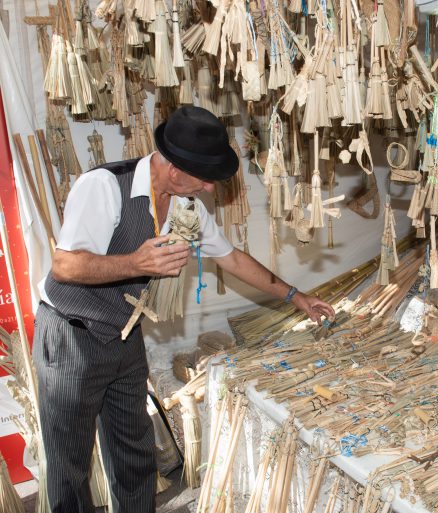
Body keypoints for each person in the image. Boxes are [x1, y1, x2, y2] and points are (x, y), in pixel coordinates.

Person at [33, 106, 335, 513]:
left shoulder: (184, 205)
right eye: (205, 179)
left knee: (135, 453)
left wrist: (296, 297)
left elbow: (232, 259)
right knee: (70, 465)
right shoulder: (103, 186)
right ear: (176, 170)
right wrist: (135, 264)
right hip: (72, 334)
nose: (210, 189)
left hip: (123, 334)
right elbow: (65, 265)